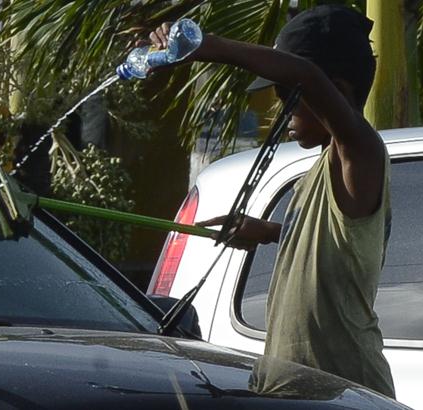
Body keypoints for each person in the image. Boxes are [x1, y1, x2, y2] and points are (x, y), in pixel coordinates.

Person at [145, 5, 395, 398]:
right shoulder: (321, 172)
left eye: (286, 94)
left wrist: (208, 46)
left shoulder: (360, 153)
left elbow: (307, 76)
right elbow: (338, 246)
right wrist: (271, 232)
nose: (282, 110)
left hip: (346, 394)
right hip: (297, 391)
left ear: (336, 91)